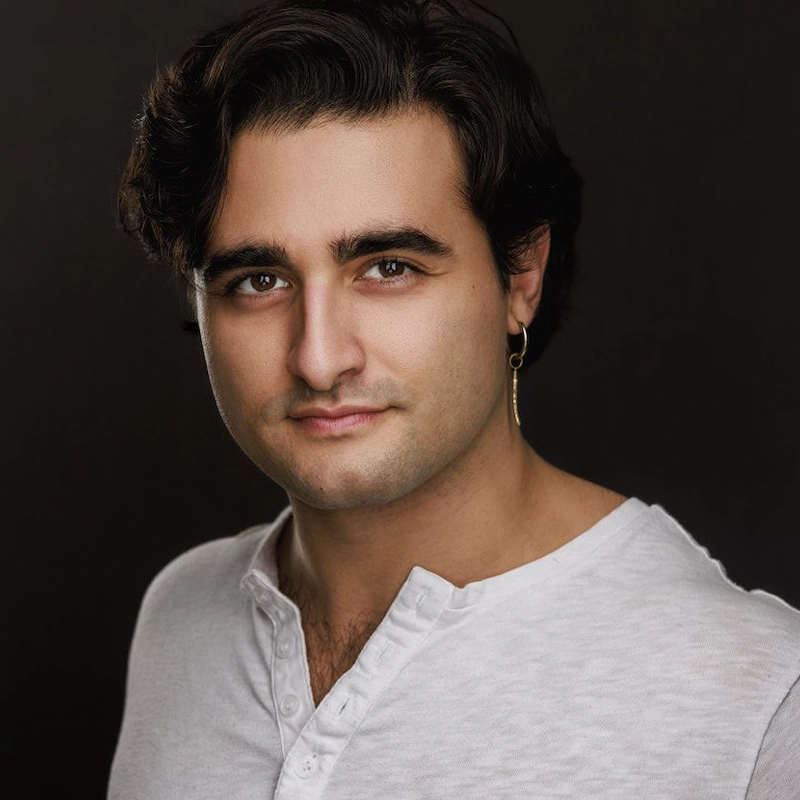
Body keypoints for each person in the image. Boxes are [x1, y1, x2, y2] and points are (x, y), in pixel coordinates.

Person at [108, 1, 800, 797]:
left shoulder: (757, 698)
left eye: (389, 267)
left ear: (522, 277)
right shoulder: (179, 616)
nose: (319, 358)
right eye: (259, 280)